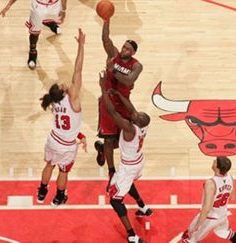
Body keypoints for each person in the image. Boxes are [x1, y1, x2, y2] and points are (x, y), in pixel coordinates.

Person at [99, 71, 151, 243]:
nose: (134, 114)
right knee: (128, 184)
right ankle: (142, 206)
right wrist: (119, 94)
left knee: (115, 200)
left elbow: (112, 113)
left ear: (137, 122)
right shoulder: (142, 124)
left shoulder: (130, 128)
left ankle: (132, 235)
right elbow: (130, 108)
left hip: (128, 166)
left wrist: (103, 88)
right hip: (137, 161)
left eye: (136, 116)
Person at [36, 28, 86, 207]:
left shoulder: (54, 100)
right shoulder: (73, 99)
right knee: (63, 171)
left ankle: (42, 191)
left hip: (53, 139)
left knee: (49, 165)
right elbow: (78, 70)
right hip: (65, 146)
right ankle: (58, 196)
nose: (62, 81)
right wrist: (81, 46)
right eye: (61, 83)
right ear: (64, 91)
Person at [94, 17, 143, 191]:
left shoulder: (136, 66)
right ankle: (111, 172)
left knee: (125, 139)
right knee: (109, 140)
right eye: (123, 46)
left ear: (133, 53)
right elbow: (106, 40)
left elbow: (129, 81)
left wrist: (112, 70)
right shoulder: (113, 55)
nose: (124, 49)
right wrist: (106, 21)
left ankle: (101, 149)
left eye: (128, 49)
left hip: (123, 104)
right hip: (108, 102)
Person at [182, 157, 236, 243]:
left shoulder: (210, 183)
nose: (213, 161)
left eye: (215, 162)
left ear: (217, 168)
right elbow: (232, 197)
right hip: (222, 215)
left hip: (210, 218)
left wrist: (197, 225)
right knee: (226, 232)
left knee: (191, 238)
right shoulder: (230, 177)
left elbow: (207, 208)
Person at [0, 0, 67, 69]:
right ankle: (32, 52)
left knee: (50, 19)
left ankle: (51, 24)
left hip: (55, 5)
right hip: (39, 6)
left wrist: (64, 9)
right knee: (35, 32)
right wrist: (9, 5)